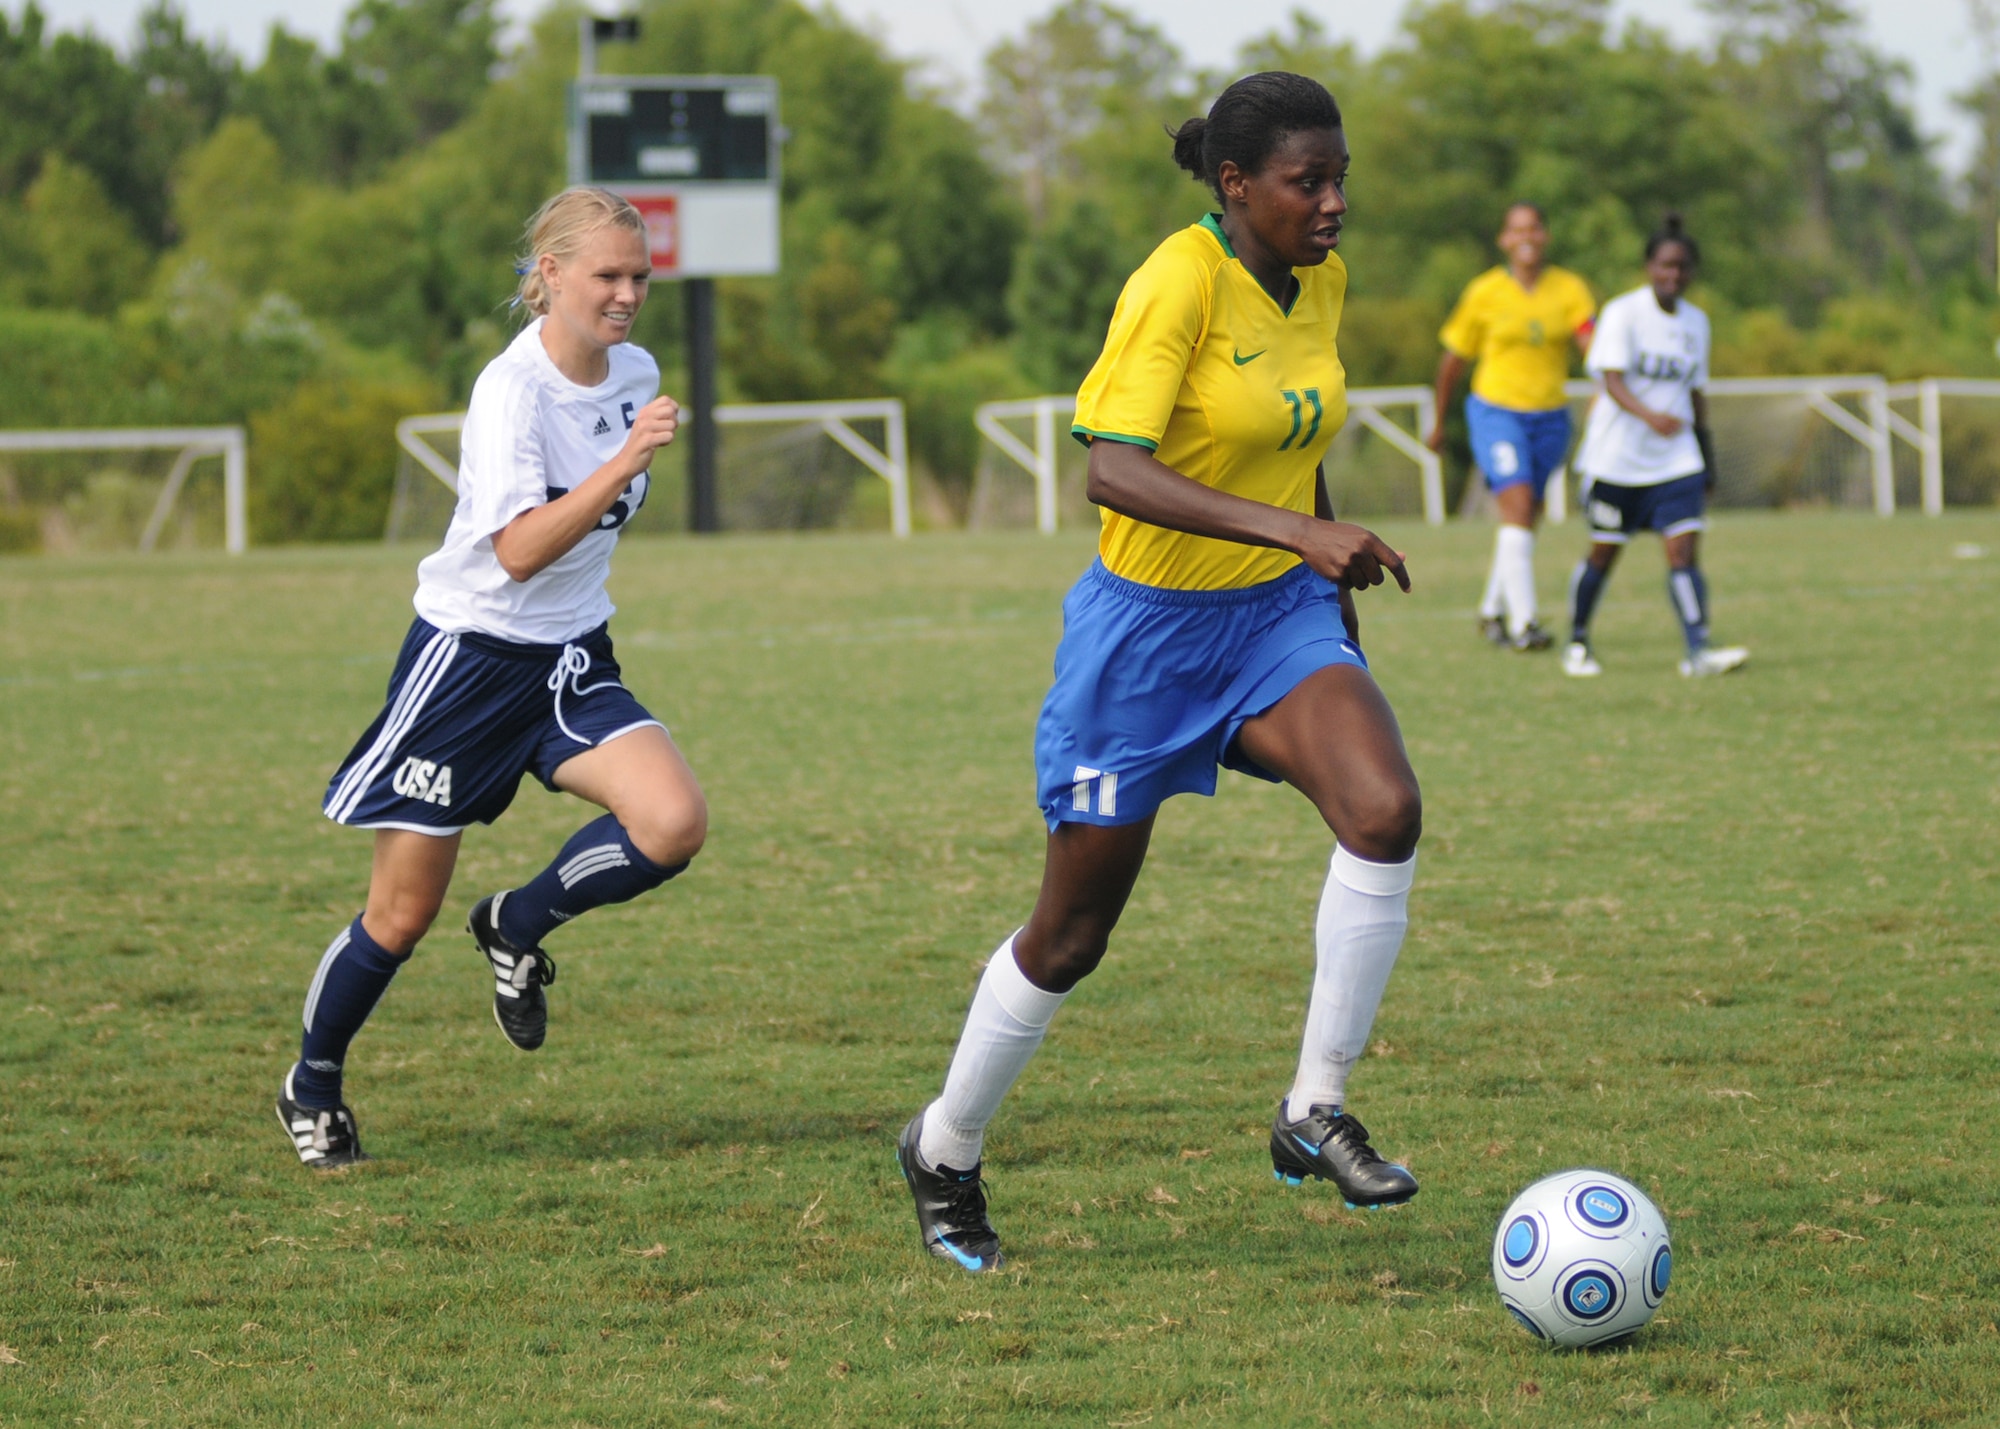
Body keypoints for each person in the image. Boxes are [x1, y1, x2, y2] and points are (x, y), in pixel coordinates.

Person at [895, 72, 1424, 1273]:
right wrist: (1301, 535)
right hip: (1142, 639)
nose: (1333, 200)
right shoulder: (1174, 280)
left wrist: (1326, 591)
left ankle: (1312, 1108)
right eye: (1308, 181)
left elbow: (1298, 443)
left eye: (1341, 177)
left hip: (1273, 624)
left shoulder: (1320, 279)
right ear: (1235, 187)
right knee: (1070, 936)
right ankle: (945, 1147)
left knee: (1383, 809)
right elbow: (1111, 472)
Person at [277, 187, 707, 1169]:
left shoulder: (633, 370)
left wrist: (625, 446)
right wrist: (626, 459)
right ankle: (313, 1081)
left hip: (569, 657)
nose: (629, 295)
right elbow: (516, 550)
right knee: (400, 912)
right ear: (548, 275)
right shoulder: (508, 392)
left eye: (640, 276)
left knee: (673, 823)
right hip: (468, 664)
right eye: (608, 275)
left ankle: (515, 921)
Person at [1564, 214, 1748, 679]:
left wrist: (1706, 456)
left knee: (1683, 554)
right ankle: (1578, 640)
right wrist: (1650, 417)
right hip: (1616, 461)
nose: (1674, 275)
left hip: (1675, 459)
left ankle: (1698, 650)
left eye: (1683, 267)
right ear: (1650, 266)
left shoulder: (1697, 323)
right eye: (1666, 265)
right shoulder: (1623, 313)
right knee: (1604, 553)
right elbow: (1610, 378)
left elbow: (1696, 392)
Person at [1428, 204, 1596, 651]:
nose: (1526, 237)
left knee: (1526, 518)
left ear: (1545, 235)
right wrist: (1439, 422)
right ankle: (1525, 624)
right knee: (1517, 505)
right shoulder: (1485, 292)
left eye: (1534, 228)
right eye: (1516, 230)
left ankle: (1490, 609)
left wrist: (1604, 382)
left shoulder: (1570, 289)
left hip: (1551, 416)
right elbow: (1452, 361)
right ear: (1504, 239)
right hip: (1496, 412)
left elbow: (1591, 344)